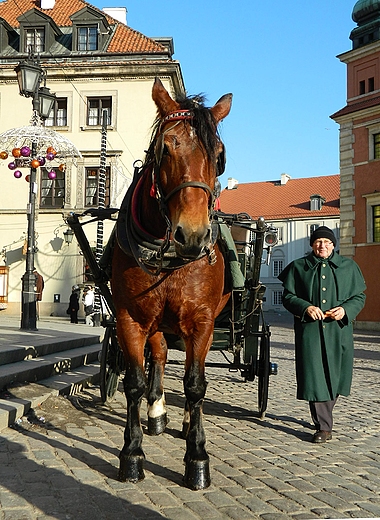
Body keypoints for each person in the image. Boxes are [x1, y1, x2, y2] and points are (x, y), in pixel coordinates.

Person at [278, 226, 366, 443]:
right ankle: (323, 426)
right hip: (311, 332)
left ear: (334, 245)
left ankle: (324, 415)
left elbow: (359, 297)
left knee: (337, 376)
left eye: (327, 242)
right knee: (315, 376)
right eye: (318, 242)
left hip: (339, 332)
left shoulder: (349, 267)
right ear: (312, 245)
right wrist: (305, 307)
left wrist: (345, 310)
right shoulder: (299, 267)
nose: (322, 246)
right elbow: (288, 297)